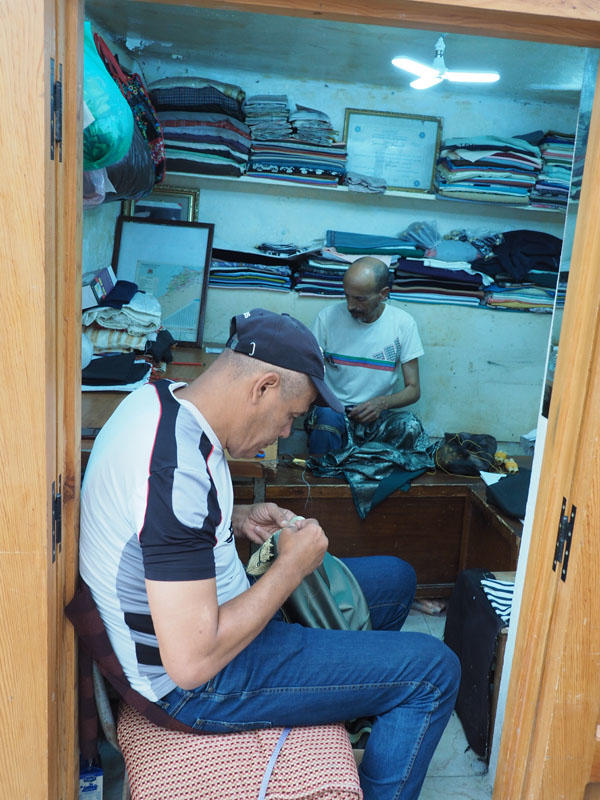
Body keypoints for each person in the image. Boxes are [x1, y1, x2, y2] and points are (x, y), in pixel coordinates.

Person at [79, 307, 459, 800]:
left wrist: (236, 516)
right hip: (197, 684)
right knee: (433, 669)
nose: (285, 432)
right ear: (263, 386)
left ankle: (355, 694)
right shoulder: (172, 476)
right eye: (292, 416)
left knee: (397, 579)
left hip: (200, 616)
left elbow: (157, 526)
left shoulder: (161, 399)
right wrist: (289, 567)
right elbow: (191, 664)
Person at [308, 256, 424, 454]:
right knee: (327, 420)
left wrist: (381, 403)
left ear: (383, 294)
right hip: (334, 412)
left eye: (360, 299)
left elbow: (413, 389)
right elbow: (307, 374)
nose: (351, 306)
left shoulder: (403, 324)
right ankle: (325, 477)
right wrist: (330, 403)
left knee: (410, 426)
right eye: (347, 297)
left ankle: (366, 469)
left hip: (375, 416)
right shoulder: (327, 318)